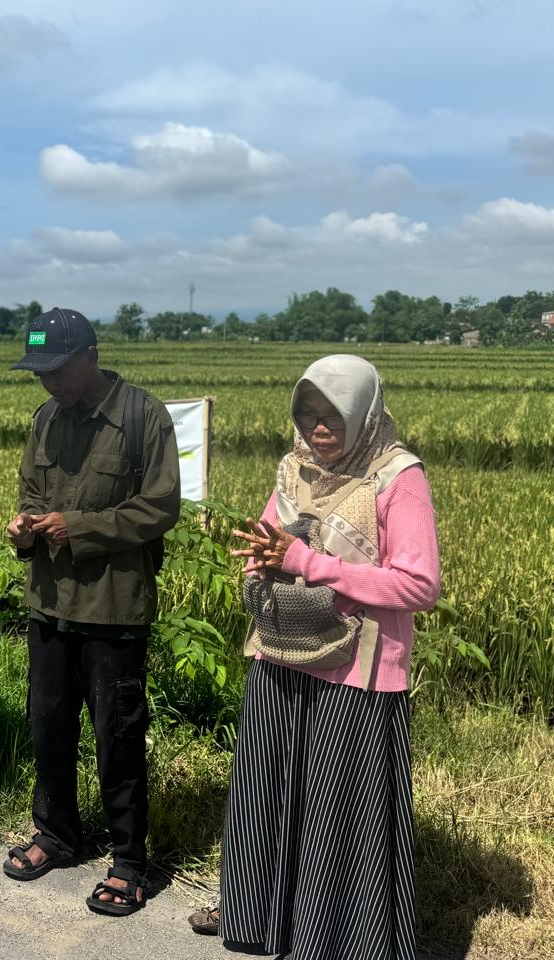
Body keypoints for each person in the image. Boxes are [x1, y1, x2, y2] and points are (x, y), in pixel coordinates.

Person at [217, 355, 439, 959]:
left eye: (334, 414)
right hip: (283, 648)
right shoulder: (294, 468)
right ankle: (260, 918)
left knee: (341, 813)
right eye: (308, 413)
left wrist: (307, 563)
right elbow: (270, 538)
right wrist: (262, 558)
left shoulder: (398, 478)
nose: (320, 427)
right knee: (271, 791)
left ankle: (338, 939)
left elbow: (419, 586)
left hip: (357, 671)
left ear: (365, 413)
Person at [3, 307, 181, 916]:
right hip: (49, 604)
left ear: (90, 356)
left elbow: (160, 506)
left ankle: (130, 861)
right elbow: (31, 489)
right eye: (39, 372)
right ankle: (57, 833)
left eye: (57, 369)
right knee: (47, 723)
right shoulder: (46, 419)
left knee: (119, 736)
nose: (48, 383)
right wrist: (24, 526)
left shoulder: (141, 416)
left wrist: (77, 527)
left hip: (114, 607)